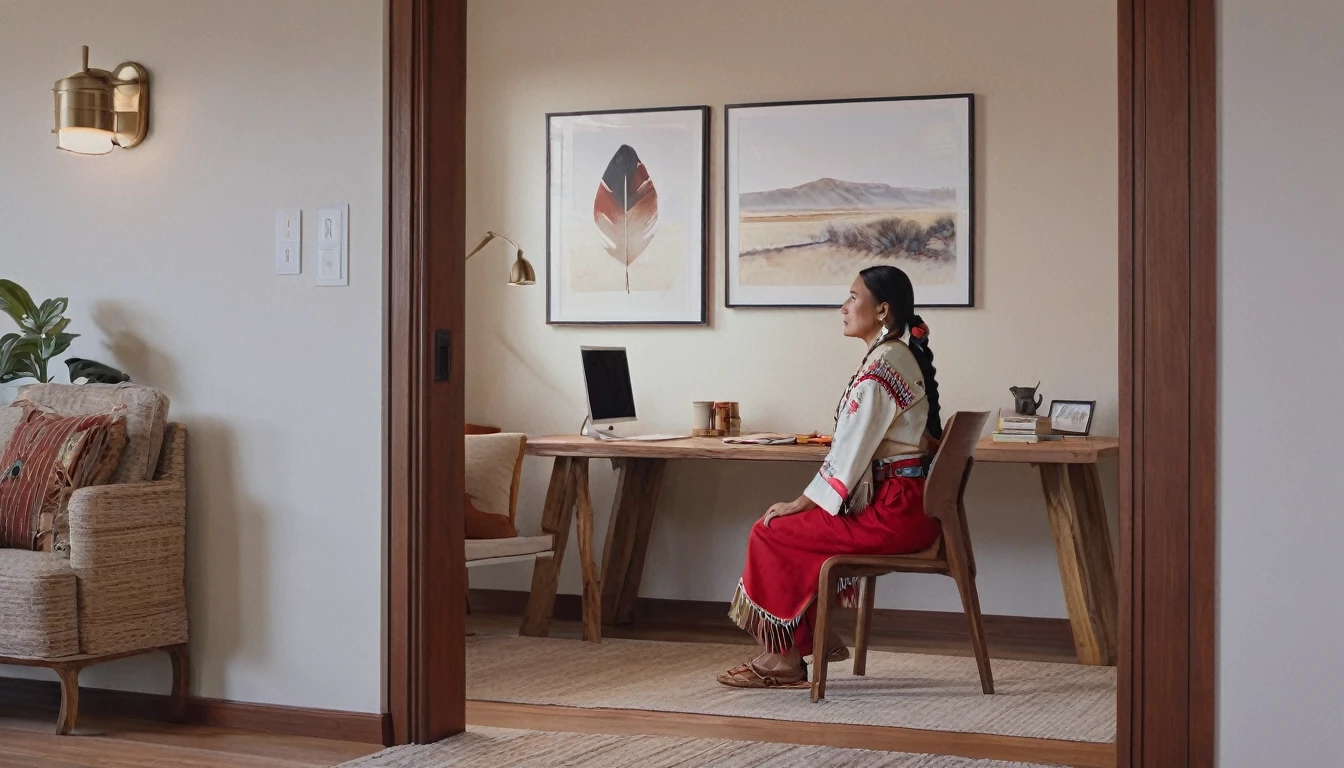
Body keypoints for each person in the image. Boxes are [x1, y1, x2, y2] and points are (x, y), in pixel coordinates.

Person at [717, 265, 945, 689]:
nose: (843, 307)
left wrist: (800, 503)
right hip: (903, 504)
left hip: (894, 513)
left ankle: (786, 656)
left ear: (882, 309)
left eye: (853, 297)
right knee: (789, 531)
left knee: (771, 530)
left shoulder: (884, 365)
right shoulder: (893, 355)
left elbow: (849, 455)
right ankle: (801, 644)